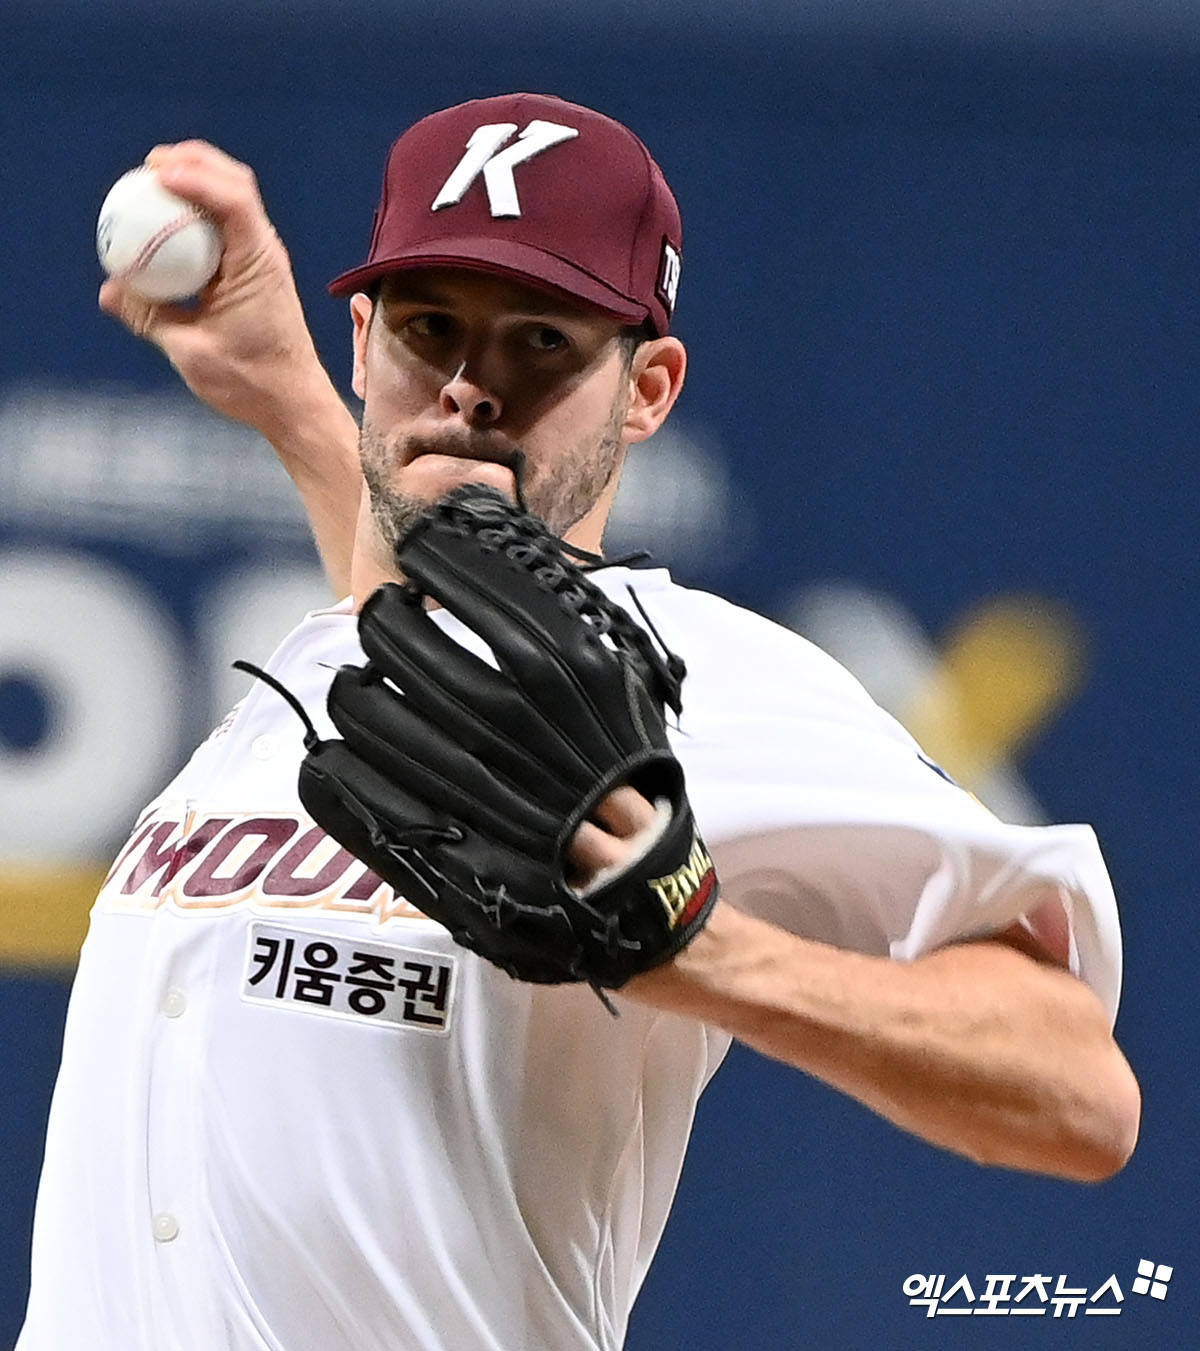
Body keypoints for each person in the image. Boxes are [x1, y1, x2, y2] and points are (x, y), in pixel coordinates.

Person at [20, 93, 1139, 1351]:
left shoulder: (694, 679)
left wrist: (703, 951)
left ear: (647, 389)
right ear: (362, 342)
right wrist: (288, 394)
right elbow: (433, 602)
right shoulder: (352, 658)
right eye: (429, 328)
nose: (467, 387)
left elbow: (1077, 1091)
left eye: (541, 342)